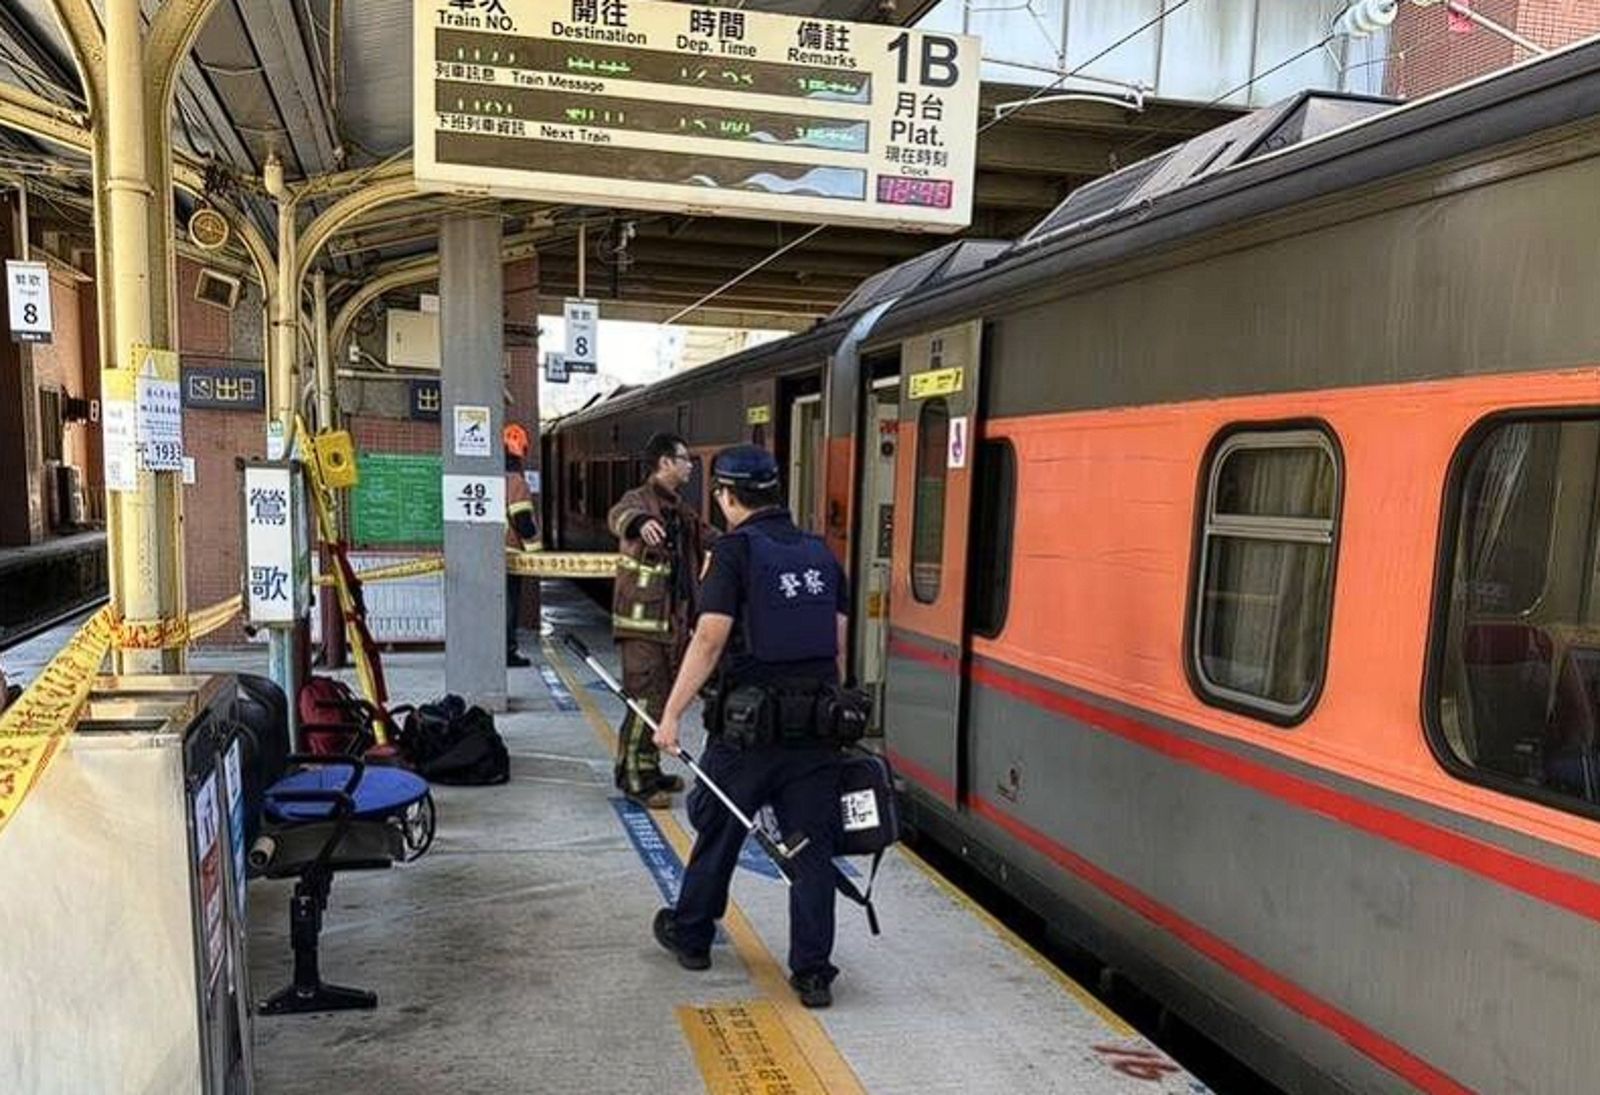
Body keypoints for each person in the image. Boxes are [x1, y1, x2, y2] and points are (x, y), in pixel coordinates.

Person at [649, 444, 850, 1009]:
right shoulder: (819, 552)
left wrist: (671, 715)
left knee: (720, 829)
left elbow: (709, 639)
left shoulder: (734, 552)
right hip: (815, 731)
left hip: (747, 731)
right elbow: (836, 643)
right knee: (811, 848)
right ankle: (813, 973)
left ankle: (692, 936)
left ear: (726, 496)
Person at [607, 433, 714, 808]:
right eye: (684, 459)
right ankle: (636, 780)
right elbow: (618, 516)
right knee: (644, 700)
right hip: (641, 623)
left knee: (660, 698)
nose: (689, 467)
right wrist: (638, 523)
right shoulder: (639, 501)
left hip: (669, 624)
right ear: (665, 462)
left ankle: (647, 768)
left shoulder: (679, 508)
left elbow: (706, 536)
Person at [504, 423, 540, 668]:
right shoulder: (516, 482)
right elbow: (524, 523)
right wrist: (536, 554)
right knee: (508, 606)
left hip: (486, 555)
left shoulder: (488, 479)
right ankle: (507, 652)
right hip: (509, 557)